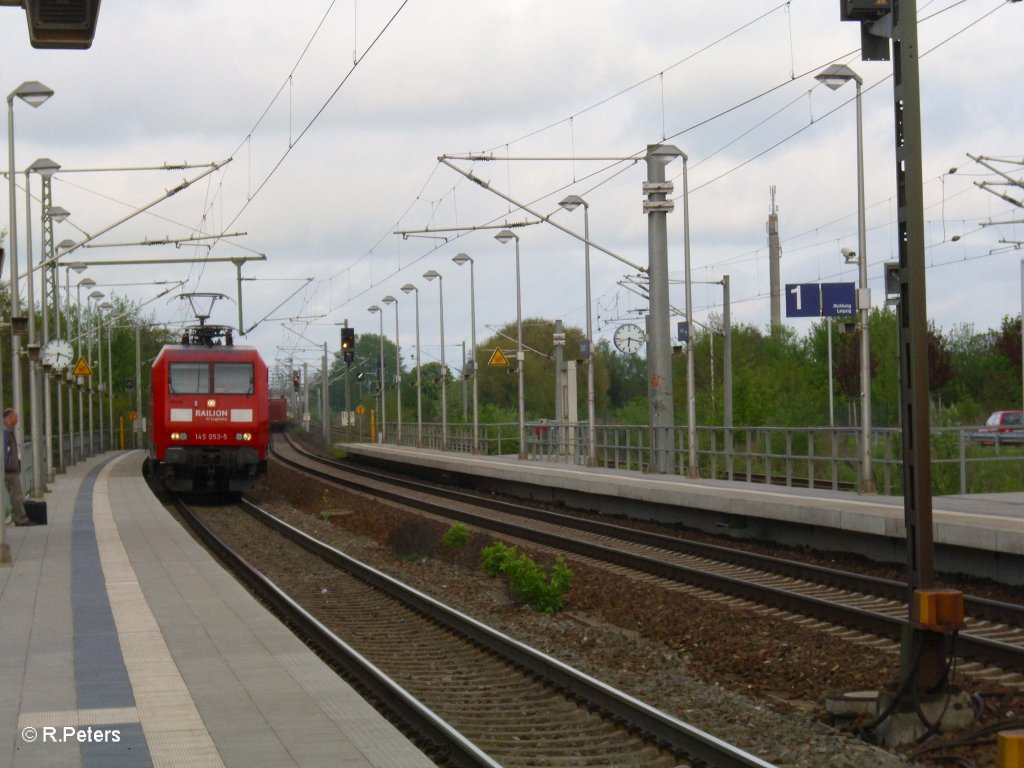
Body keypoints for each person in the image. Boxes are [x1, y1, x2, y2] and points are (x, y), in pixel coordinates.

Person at [4, 408, 37, 527]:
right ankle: (21, 519)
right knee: (16, 495)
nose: (17, 419)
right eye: (16, 417)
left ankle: (18, 517)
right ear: (10, 418)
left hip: (9, 468)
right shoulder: (5, 432)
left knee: (15, 495)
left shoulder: (8, 431)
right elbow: (4, 451)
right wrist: (8, 465)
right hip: (9, 470)